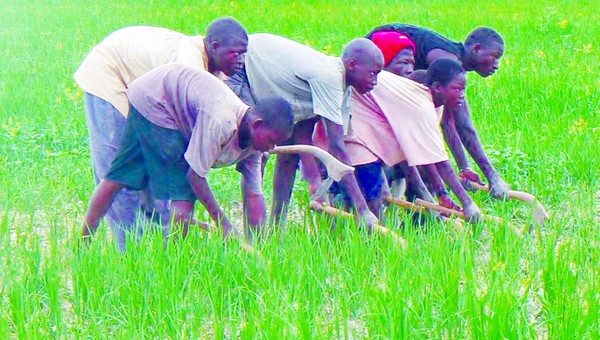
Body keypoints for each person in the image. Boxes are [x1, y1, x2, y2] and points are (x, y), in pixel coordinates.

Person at [74, 18, 248, 250]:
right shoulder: (189, 64)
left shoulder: (216, 69)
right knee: (120, 173)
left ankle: (154, 250)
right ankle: (128, 253)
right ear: (214, 47)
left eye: (243, 54)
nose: (240, 61)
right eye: (234, 54)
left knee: (151, 172)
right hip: (111, 75)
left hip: (148, 99)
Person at [81, 64, 294, 245]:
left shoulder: (255, 145)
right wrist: (224, 225)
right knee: (182, 199)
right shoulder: (221, 122)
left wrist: (259, 245)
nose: (272, 149)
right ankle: (173, 265)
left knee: (118, 176)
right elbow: (195, 176)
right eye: (272, 140)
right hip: (159, 101)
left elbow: (254, 193)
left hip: (161, 94)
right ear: (257, 125)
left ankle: (81, 244)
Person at [227, 34, 384, 230]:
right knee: (255, 155)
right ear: (352, 65)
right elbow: (337, 149)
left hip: (268, 82)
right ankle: (254, 235)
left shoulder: (344, 90)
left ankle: (276, 229)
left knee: (289, 156)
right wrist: (363, 211)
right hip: (244, 70)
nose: (375, 82)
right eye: (372, 74)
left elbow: (301, 139)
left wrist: (316, 180)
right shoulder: (329, 78)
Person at [366, 24, 510, 199]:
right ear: (476, 49)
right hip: (373, 74)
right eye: (494, 57)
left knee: (425, 161)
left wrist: (465, 167)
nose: (496, 65)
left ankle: (420, 217)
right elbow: (463, 125)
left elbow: (447, 121)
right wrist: (493, 177)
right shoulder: (446, 60)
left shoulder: (451, 68)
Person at [342, 57, 483, 223]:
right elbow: (441, 163)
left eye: (464, 90)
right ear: (437, 88)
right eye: (457, 89)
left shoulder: (435, 105)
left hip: (368, 125)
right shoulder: (422, 107)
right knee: (370, 194)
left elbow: (428, 156)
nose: (462, 96)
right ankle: (370, 241)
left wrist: (442, 194)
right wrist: (468, 203)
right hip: (355, 121)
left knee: (374, 192)